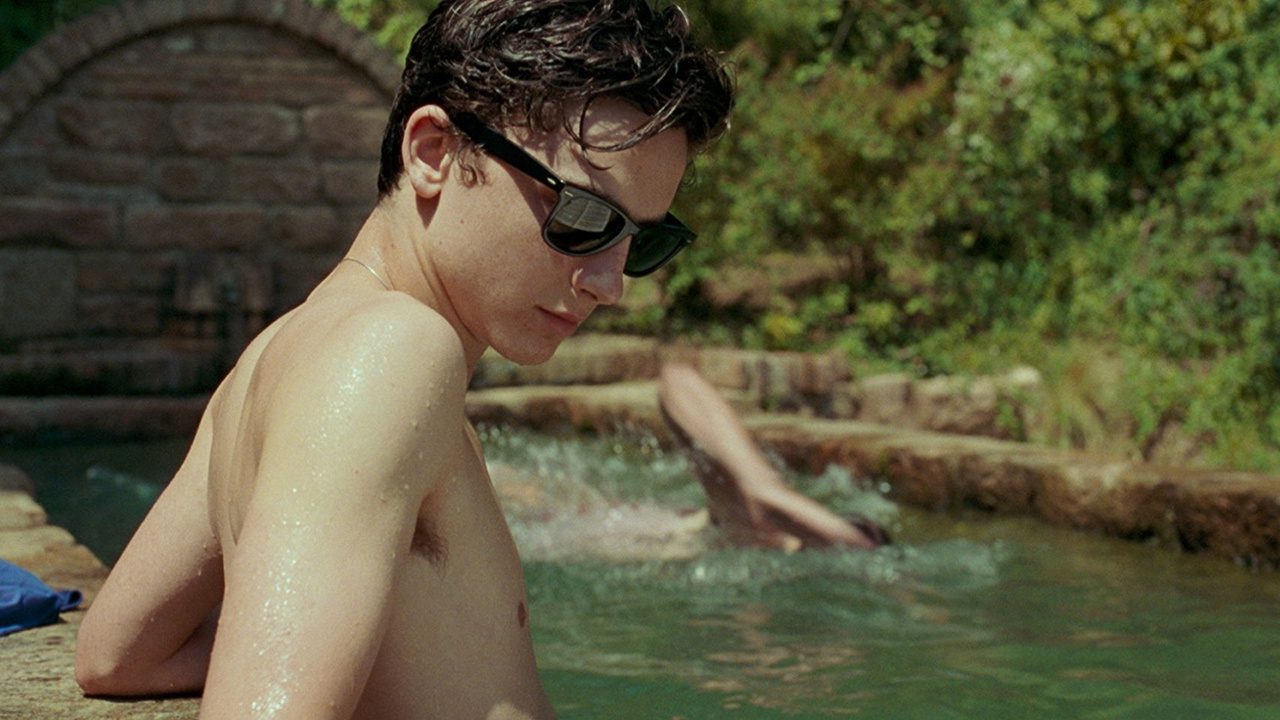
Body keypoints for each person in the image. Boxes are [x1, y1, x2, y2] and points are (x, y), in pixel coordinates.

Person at [73, 1, 733, 718]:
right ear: (434, 153)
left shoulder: (275, 355)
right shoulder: (391, 352)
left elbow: (118, 654)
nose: (609, 284)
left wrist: (312, 643)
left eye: (641, 242)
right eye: (584, 217)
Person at [658, 362, 890, 551]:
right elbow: (678, 380)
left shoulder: (742, 523)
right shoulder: (726, 523)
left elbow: (679, 379)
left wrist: (766, 488)